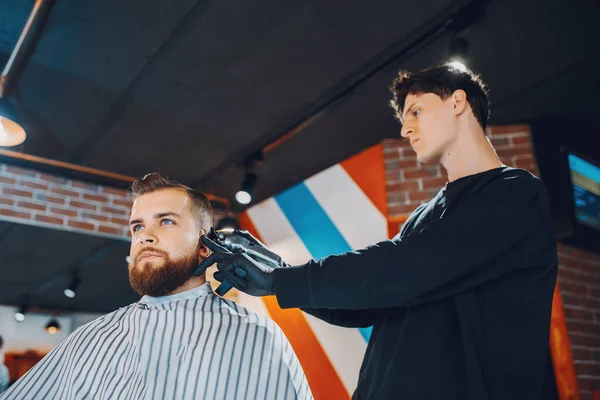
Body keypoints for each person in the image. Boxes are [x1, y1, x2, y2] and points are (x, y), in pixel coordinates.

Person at [199, 64, 559, 400]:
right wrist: (275, 267)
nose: (405, 129)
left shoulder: (515, 193)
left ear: (458, 102)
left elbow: (412, 267)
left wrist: (280, 280)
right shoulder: (423, 217)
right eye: (403, 120)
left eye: (415, 111)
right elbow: (369, 300)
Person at [1, 174, 312, 400]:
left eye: (166, 221)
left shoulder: (257, 335)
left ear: (206, 244)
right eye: (138, 226)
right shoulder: (92, 337)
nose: (144, 236)